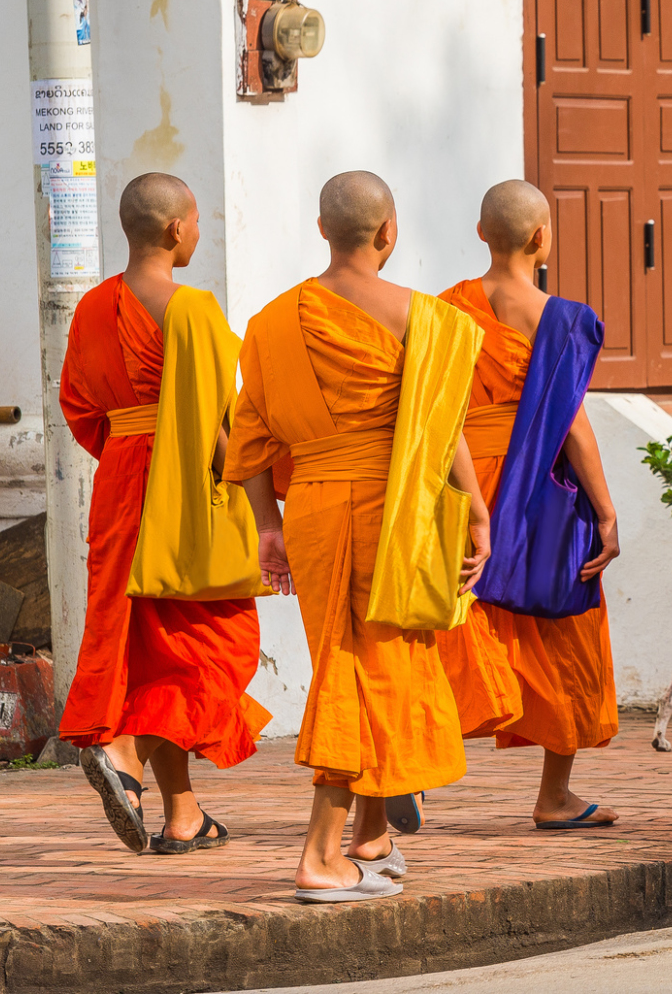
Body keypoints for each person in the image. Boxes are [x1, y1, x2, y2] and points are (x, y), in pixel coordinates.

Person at [227, 171, 490, 903]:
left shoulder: (274, 323)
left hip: (311, 505)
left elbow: (247, 440)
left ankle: (370, 838)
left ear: (322, 231)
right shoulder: (428, 319)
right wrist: (474, 512)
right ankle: (318, 853)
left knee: (373, 664)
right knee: (361, 668)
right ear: (389, 231)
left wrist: (268, 526)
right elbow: (445, 431)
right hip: (396, 508)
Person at [62, 173, 270, 853]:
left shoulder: (91, 307)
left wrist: (130, 443)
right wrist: (248, 494)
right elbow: (220, 425)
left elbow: (79, 408)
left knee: (150, 648)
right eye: (198, 222)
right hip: (184, 488)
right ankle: (122, 751)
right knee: (217, 642)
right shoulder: (194, 309)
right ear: (178, 228)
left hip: (120, 482)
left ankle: (183, 813)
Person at [438, 179, 623, 828]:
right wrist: (604, 510)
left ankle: (406, 762)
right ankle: (554, 794)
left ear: (482, 233)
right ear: (543, 238)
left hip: (457, 482)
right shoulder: (565, 320)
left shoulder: (445, 310)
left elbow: (431, 407)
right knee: (567, 631)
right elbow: (570, 423)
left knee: (454, 625)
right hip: (537, 488)